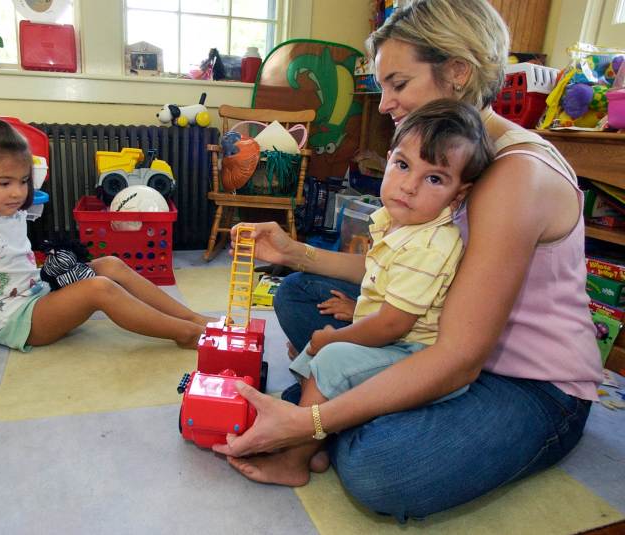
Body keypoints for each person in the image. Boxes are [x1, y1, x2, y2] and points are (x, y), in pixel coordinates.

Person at [212, 0, 603, 522]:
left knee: (381, 467)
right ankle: (340, 401)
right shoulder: (433, 160)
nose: (384, 104)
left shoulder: (513, 175)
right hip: (434, 334)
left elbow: (460, 357)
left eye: (398, 83)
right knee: (296, 290)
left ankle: (327, 410)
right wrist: (292, 252)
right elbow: (391, 270)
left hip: (524, 382)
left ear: (458, 73)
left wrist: (311, 425)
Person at [0, 117, 212, 369]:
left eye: (24, 181)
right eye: (4, 182)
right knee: (99, 288)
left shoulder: (6, 209)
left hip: (39, 295)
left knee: (109, 264)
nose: (18, 192)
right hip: (19, 324)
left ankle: (194, 319)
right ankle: (186, 334)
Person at [287, 98, 493, 458]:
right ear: (388, 159)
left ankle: (296, 456)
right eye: (402, 165)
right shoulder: (395, 221)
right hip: (392, 333)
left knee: (330, 357)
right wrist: (354, 313)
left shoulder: (430, 244)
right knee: (312, 351)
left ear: (458, 196)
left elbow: (393, 325)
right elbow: (384, 287)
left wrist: (335, 337)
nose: (409, 186)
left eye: (433, 178)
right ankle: (318, 437)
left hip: (414, 353)